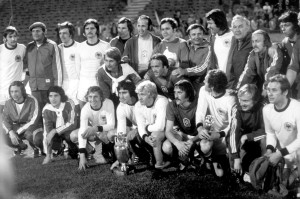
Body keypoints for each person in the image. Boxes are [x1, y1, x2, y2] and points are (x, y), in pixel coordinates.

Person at [263, 74, 300, 195]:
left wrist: (279, 153)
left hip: (297, 152)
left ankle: (296, 173)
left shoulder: (297, 107)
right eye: (268, 90)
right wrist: (269, 150)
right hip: (285, 153)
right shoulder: (267, 109)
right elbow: (270, 133)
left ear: (285, 92)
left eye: (274, 90)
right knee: (283, 184)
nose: (270, 93)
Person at [196, 69, 236, 177]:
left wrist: (219, 135)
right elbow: (200, 111)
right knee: (204, 145)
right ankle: (208, 158)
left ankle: (217, 157)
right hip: (212, 130)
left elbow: (233, 125)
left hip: (226, 135)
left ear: (212, 86)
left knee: (221, 174)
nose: (203, 82)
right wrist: (200, 128)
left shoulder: (230, 99)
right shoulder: (203, 91)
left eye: (205, 81)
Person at [71, 86, 115, 171]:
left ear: (101, 97)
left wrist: (95, 128)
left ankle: (108, 152)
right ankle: (90, 151)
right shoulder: (85, 109)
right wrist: (82, 156)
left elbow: (111, 125)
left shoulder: (108, 103)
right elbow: (82, 131)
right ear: (87, 98)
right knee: (74, 135)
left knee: (106, 135)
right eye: (90, 97)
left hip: (105, 132)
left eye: (95, 96)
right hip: (94, 132)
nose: (92, 99)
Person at [24, 22, 62, 112]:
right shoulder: (29, 47)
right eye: (33, 31)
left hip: (48, 87)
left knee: (50, 112)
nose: (35, 33)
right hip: (34, 87)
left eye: (38, 31)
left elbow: (57, 68)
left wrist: (57, 87)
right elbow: (27, 68)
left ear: (45, 32)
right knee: (37, 112)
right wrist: (25, 82)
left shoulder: (52, 45)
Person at [230, 84, 266, 181]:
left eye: (245, 100)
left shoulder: (264, 107)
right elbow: (234, 133)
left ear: (255, 100)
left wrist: (249, 136)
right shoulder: (236, 108)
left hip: (257, 138)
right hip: (242, 140)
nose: (241, 103)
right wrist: (236, 157)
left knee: (265, 140)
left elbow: (267, 131)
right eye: (240, 99)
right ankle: (239, 170)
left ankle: (264, 169)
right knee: (236, 168)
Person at [162, 80, 200, 169]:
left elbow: (205, 129)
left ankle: (198, 158)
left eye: (179, 92)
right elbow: (168, 131)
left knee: (205, 146)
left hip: (198, 136)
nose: (176, 95)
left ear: (189, 93)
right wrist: (177, 143)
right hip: (183, 134)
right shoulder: (172, 105)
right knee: (166, 147)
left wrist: (192, 141)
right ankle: (182, 159)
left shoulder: (198, 103)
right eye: (175, 92)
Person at [133, 80, 170, 169]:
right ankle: (149, 158)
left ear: (151, 94)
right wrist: (146, 138)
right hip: (152, 131)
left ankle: (159, 164)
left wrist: (146, 127)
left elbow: (160, 126)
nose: (139, 97)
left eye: (142, 94)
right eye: (138, 94)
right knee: (134, 135)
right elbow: (140, 127)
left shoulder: (162, 101)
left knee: (155, 136)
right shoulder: (138, 105)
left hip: (168, 131)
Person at [76, 19, 110, 108]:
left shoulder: (105, 46)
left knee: (100, 110)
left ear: (97, 30)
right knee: (84, 111)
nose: (89, 30)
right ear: (84, 31)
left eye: (92, 28)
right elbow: (77, 67)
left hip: (98, 82)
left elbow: (108, 67)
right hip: (83, 83)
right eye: (87, 28)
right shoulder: (79, 47)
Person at [2, 81, 43, 157]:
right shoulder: (8, 103)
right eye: (12, 92)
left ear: (22, 91)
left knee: (31, 136)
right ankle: (21, 147)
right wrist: (11, 132)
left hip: (33, 126)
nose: (14, 94)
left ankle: (38, 148)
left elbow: (34, 120)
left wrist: (17, 132)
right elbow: (5, 119)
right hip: (17, 126)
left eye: (16, 91)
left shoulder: (32, 100)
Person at [237, 29, 283, 95]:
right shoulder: (253, 54)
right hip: (265, 88)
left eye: (257, 41)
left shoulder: (274, 50)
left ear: (266, 42)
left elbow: (273, 71)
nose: (254, 44)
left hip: (279, 88)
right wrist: (239, 89)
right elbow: (248, 73)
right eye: (253, 42)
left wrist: (266, 88)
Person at [42, 86, 79, 164]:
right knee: (49, 138)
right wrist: (48, 154)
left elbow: (72, 123)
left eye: (56, 95)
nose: (53, 99)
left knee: (71, 136)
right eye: (50, 96)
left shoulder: (69, 103)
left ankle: (78, 149)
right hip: (57, 135)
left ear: (61, 96)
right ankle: (59, 149)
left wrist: (55, 130)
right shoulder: (46, 109)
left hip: (70, 131)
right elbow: (48, 131)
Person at [172, 24, 211, 91]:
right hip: (185, 81)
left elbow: (202, 68)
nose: (197, 37)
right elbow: (176, 60)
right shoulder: (184, 45)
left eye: (199, 34)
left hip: (201, 84)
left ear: (203, 34)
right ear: (189, 36)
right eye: (193, 34)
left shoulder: (209, 48)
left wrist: (185, 71)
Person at [0, 26, 26, 113]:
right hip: (2, 89)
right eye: (10, 37)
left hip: (16, 89)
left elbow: (29, 65)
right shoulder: (1, 49)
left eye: (15, 36)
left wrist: (25, 81)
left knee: (16, 114)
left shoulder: (22, 48)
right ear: (5, 38)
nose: (13, 39)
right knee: (1, 114)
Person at [226, 15, 253, 89]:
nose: (237, 30)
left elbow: (251, 71)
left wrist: (239, 87)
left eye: (240, 26)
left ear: (248, 28)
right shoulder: (234, 41)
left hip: (249, 88)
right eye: (234, 27)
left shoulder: (254, 42)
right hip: (235, 87)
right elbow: (230, 66)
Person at [58, 21, 80, 106]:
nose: (62, 36)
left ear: (71, 34)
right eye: (60, 33)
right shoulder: (58, 48)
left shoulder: (79, 47)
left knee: (76, 107)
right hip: (63, 83)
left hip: (76, 82)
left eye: (65, 33)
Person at [206, 9, 233, 73]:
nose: (208, 26)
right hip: (220, 79)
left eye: (210, 23)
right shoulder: (213, 37)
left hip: (233, 80)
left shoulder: (234, 36)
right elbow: (212, 60)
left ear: (219, 21)